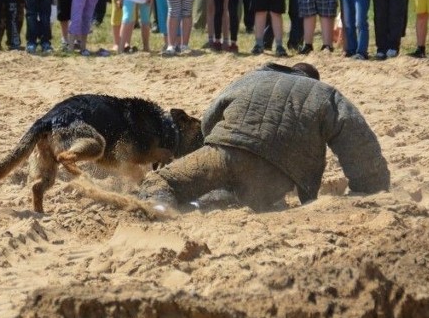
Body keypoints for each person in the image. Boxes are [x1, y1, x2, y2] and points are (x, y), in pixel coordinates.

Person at [138, 62, 391, 211]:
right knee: (246, 195)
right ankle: (220, 200)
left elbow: (209, 119)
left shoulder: (253, 78)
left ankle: (162, 209)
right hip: (278, 173)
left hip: (226, 151)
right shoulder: (324, 94)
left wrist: (217, 144)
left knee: (161, 183)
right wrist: (370, 184)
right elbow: (356, 137)